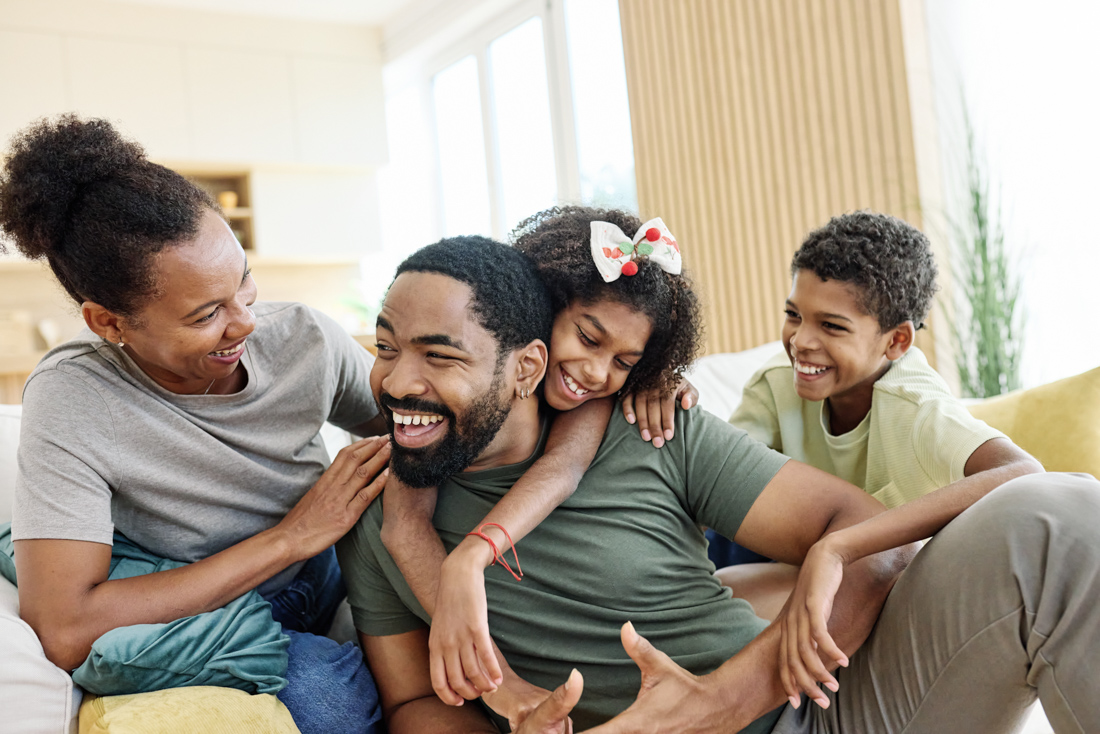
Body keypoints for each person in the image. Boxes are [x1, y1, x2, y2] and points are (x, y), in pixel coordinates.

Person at [337, 233, 1100, 734]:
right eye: (384, 348)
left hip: (823, 713)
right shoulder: (381, 520)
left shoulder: (650, 427)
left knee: (1057, 518)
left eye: (439, 356)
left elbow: (874, 544)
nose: (397, 381)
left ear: (527, 365)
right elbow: (413, 703)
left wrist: (724, 700)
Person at [0, 116, 388, 733]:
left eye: (244, 281)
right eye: (207, 314)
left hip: (323, 574)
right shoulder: (74, 395)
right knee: (330, 711)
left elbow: (422, 430)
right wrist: (291, 537)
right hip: (196, 609)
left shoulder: (305, 339)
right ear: (109, 323)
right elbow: (63, 626)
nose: (246, 323)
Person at [379, 207, 701, 717]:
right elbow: (403, 516)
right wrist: (503, 686)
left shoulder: (599, 403)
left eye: (625, 362)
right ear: (544, 309)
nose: (595, 372)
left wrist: (658, 381)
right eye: (588, 339)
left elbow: (564, 467)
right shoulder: (455, 404)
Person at [711, 211, 1042, 619]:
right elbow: (713, 476)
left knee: (723, 599)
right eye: (794, 315)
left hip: (873, 574)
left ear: (897, 340)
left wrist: (842, 545)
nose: (800, 341)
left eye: (832, 326)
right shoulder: (777, 381)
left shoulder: (916, 406)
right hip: (786, 553)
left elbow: (1023, 470)